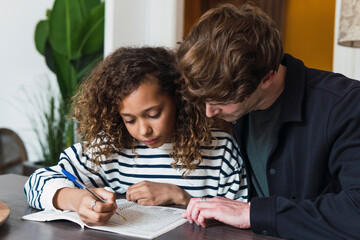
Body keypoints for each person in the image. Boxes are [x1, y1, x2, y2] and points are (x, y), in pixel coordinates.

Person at [177, 3, 360, 240]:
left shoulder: (344, 105)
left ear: (267, 77)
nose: (209, 112)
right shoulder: (232, 105)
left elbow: (356, 210)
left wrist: (254, 214)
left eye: (221, 101)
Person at [24, 46, 247, 226]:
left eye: (153, 114)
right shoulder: (109, 148)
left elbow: (243, 219)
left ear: (179, 99)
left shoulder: (220, 150)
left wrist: (182, 198)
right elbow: (35, 184)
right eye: (130, 120)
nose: (143, 131)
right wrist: (77, 200)